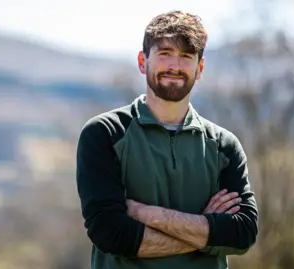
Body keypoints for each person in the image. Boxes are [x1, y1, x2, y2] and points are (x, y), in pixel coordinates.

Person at [76, 10, 258, 269]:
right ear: (142, 62)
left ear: (200, 68)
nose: (175, 66)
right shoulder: (105, 133)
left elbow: (243, 233)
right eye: (165, 54)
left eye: (186, 56)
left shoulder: (223, 146)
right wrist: (208, 229)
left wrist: (147, 214)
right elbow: (111, 234)